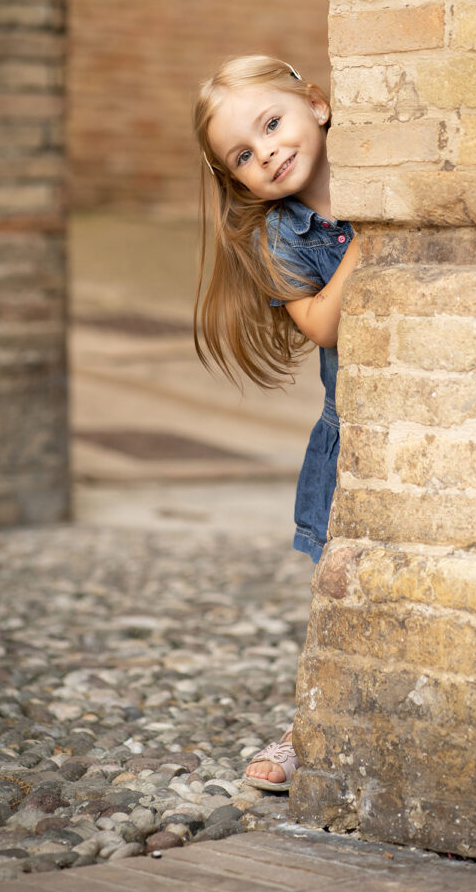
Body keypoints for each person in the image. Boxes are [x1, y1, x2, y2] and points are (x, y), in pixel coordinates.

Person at [193, 55, 358, 791]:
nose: (268, 152)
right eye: (244, 155)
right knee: (339, 588)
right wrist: (375, 241)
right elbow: (323, 323)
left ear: (316, 105)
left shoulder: (381, 162)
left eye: (271, 123)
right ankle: (308, 729)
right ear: (237, 182)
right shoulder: (279, 235)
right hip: (349, 427)